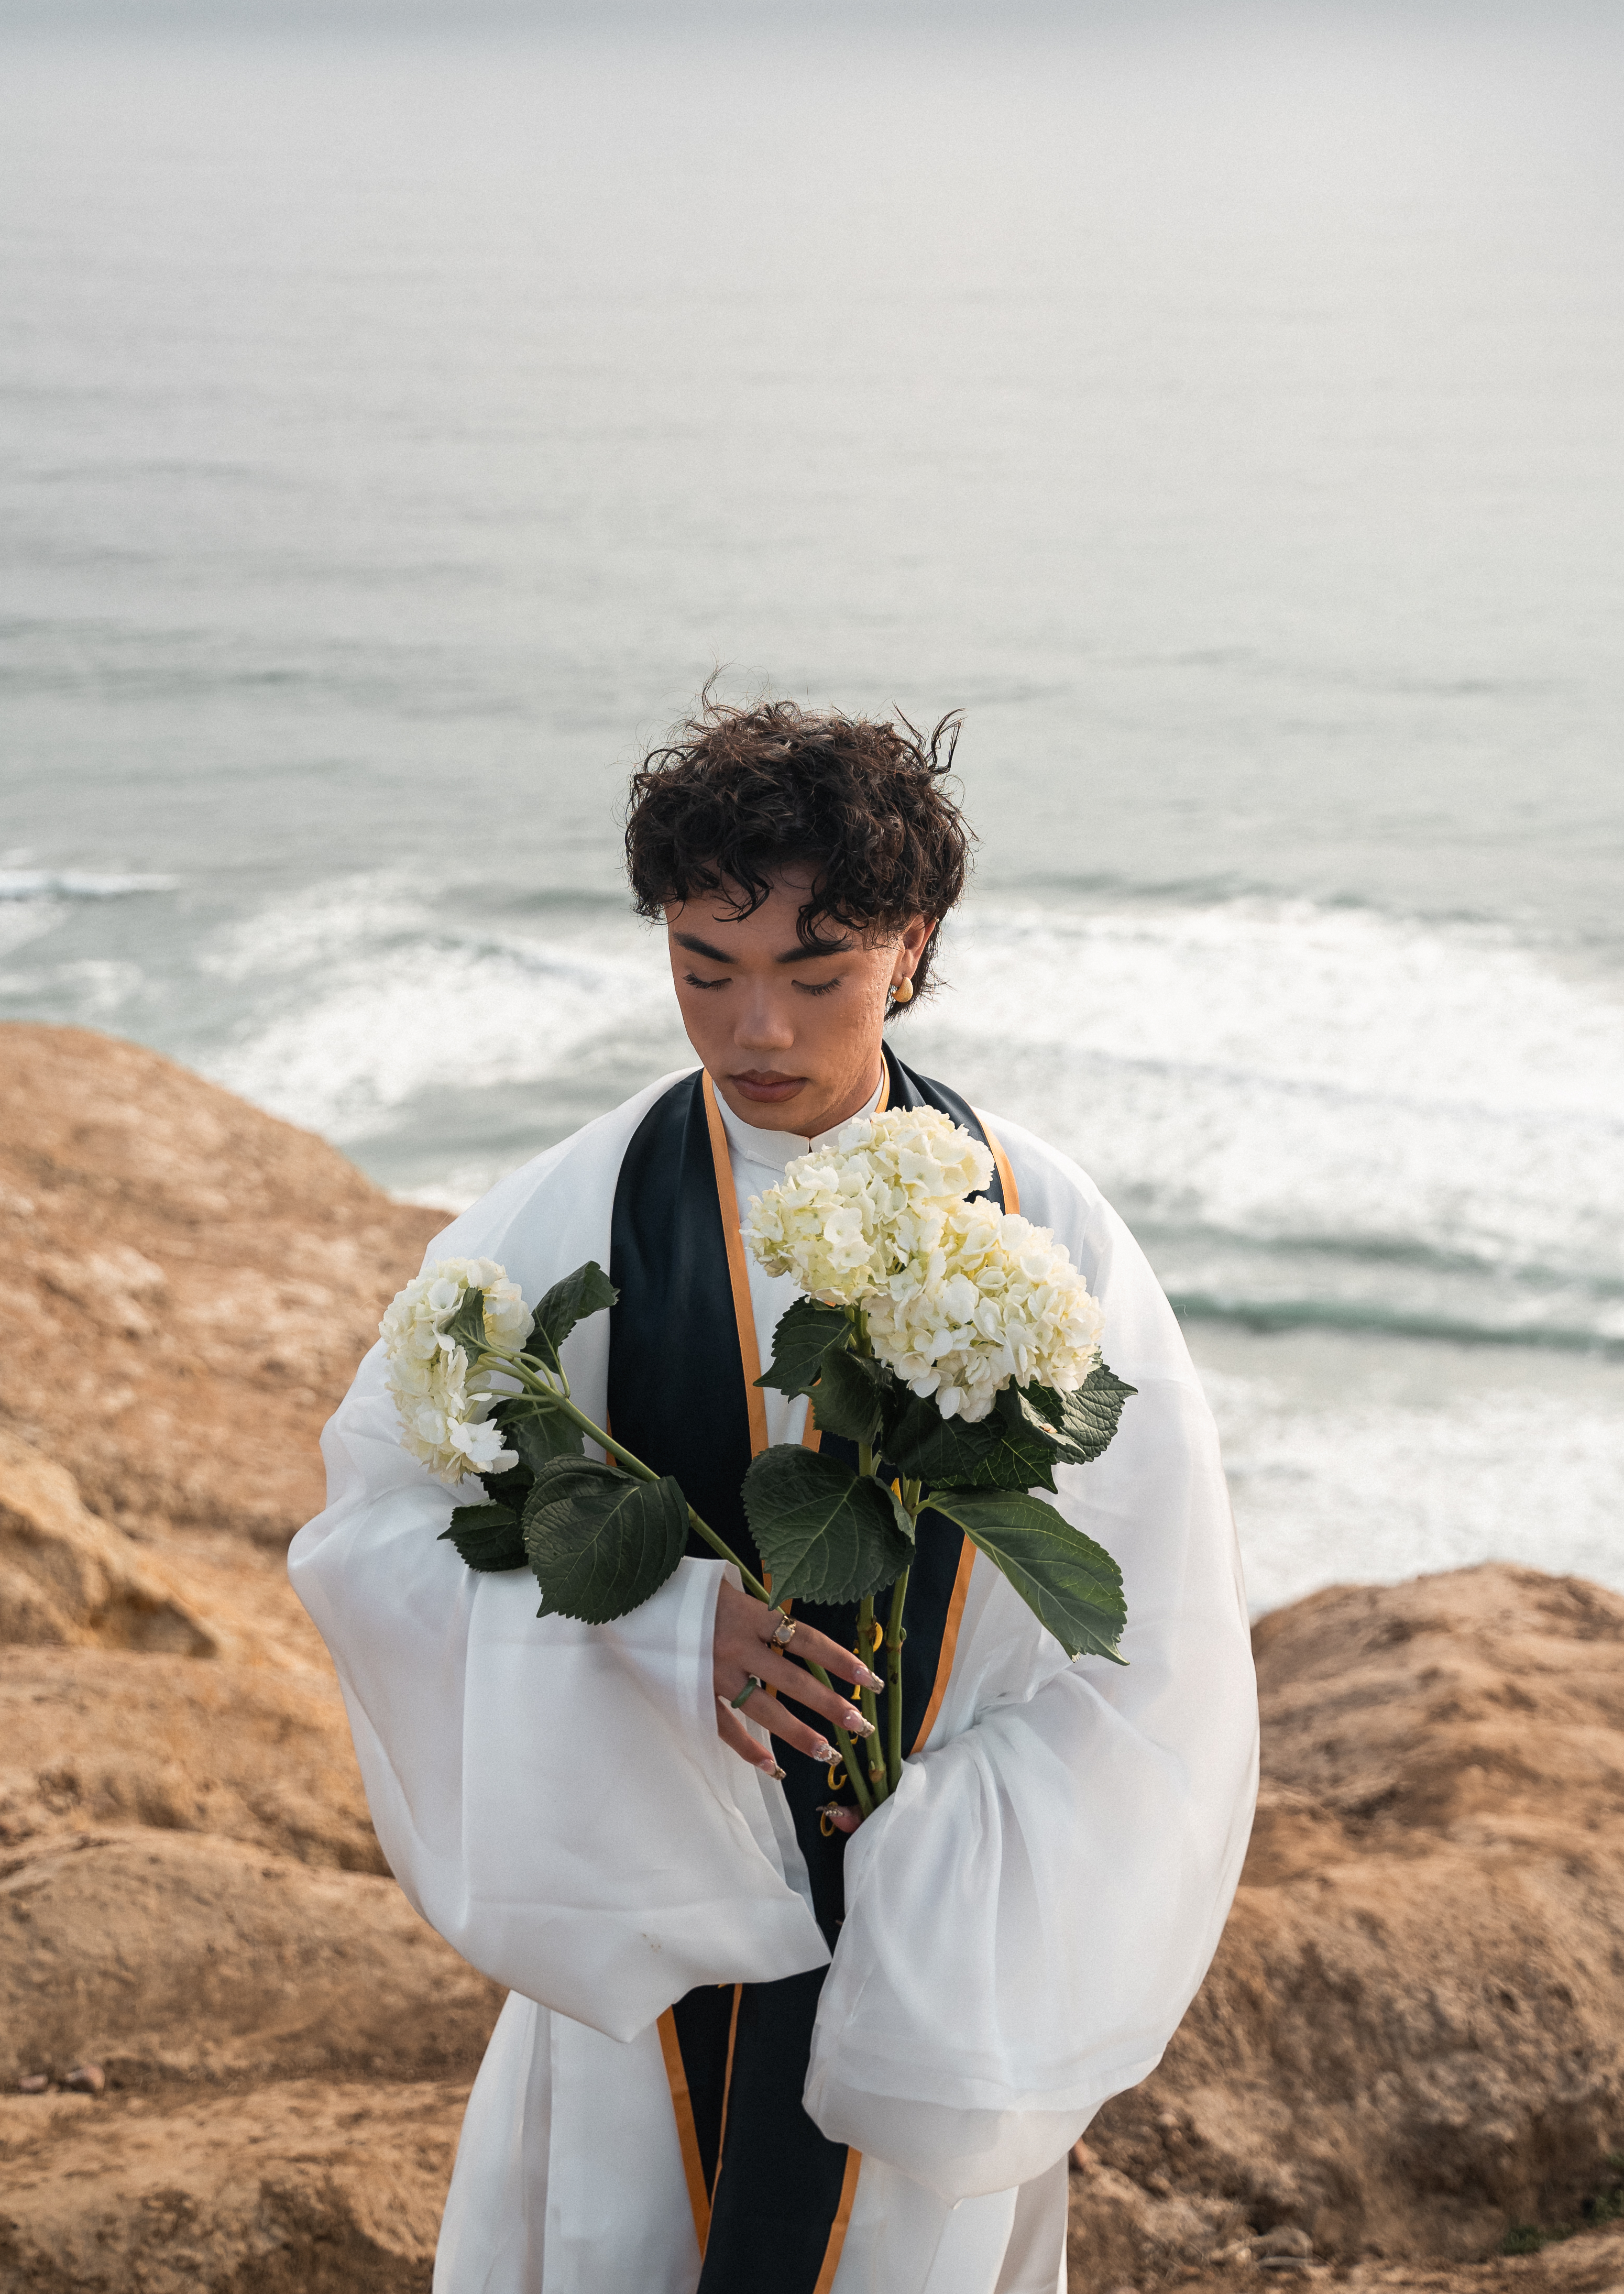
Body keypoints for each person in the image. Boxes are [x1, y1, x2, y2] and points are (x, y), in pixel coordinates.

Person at [289, 700, 1258, 2294]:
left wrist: (937, 1834)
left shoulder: (1039, 1227)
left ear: (912, 947)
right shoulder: (564, 1216)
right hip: (664, 1911)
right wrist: (664, 1635)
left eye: (818, 976)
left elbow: (1156, 1626)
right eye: (703, 969)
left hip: (928, 1930)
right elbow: (376, 1539)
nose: (758, 1034)